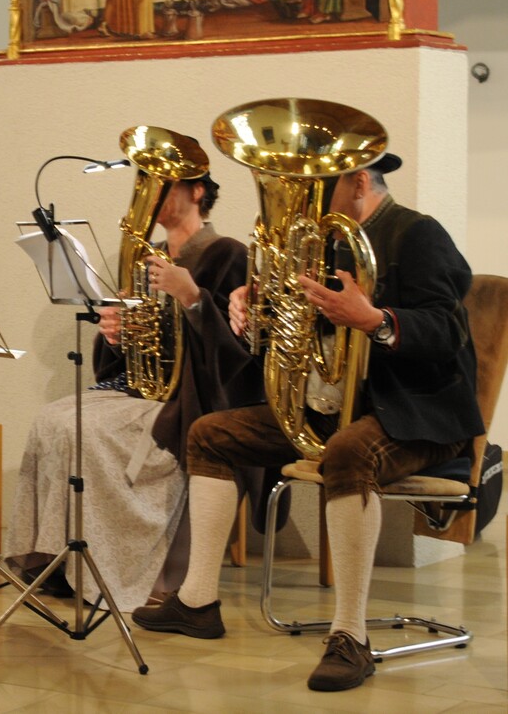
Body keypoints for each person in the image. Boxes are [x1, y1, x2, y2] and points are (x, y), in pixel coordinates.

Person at [131, 153, 485, 692]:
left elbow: (447, 328)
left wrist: (376, 320)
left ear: (359, 181)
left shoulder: (417, 233)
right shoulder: (324, 244)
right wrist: (254, 309)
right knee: (211, 435)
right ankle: (197, 600)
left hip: (416, 413)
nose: (307, 199)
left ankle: (350, 635)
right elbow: (296, 335)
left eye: (319, 185)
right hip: (331, 409)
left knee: (349, 452)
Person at [4, 153, 270, 611]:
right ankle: (59, 559)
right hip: (138, 389)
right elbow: (121, 358)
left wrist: (192, 297)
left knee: (89, 431)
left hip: (193, 397)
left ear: (198, 191)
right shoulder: (149, 258)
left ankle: (121, 567)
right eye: (145, 182)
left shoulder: (227, 252)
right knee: (53, 419)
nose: (151, 193)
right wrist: (115, 332)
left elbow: (243, 353)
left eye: (164, 183)